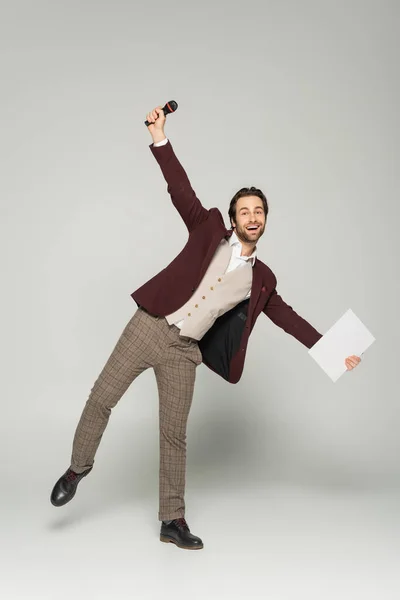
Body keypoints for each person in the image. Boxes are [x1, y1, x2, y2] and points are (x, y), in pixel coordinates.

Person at [50, 105, 361, 550]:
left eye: (260, 212)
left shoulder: (263, 279)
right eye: (245, 211)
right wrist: (160, 138)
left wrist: (334, 352)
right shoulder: (208, 227)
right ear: (233, 218)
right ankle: (78, 467)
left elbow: (290, 320)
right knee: (101, 398)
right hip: (148, 325)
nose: (252, 217)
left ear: (265, 221)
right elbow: (181, 190)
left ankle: (171, 521)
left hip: (184, 351)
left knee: (174, 435)